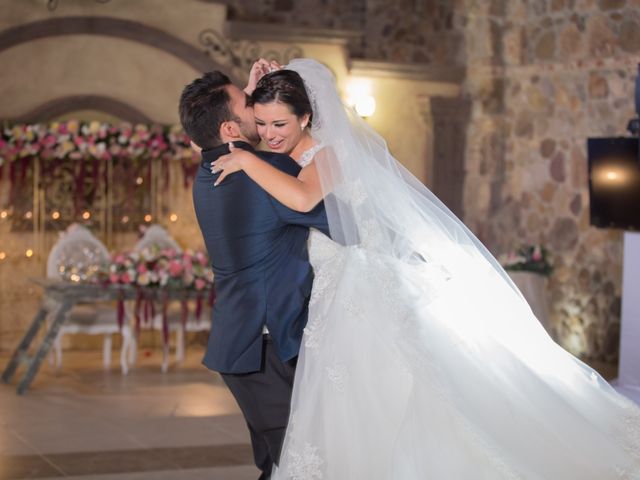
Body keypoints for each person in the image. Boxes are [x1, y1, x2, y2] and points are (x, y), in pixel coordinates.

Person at [211, 59, 640, 479]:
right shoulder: (286, 152)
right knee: (350, 403)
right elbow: (230, 128)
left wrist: (248, 160)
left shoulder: (329, 155)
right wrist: (251, 99)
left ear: (306, 117)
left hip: (362, 286)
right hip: (335, 293)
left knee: (403, 392)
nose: (268, 135)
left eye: (279, 125)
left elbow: (303, 199)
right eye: (262, 124)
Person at [178, 65, 331, 480]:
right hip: (265, 349)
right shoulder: (261, 173)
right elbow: (337, 221)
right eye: (250, 106)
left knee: (278, 465)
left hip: (244, 344)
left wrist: (249, 98)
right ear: (230, 128)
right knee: (303, 466)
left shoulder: (211, 168)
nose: (258, 107)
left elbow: (212, 137)